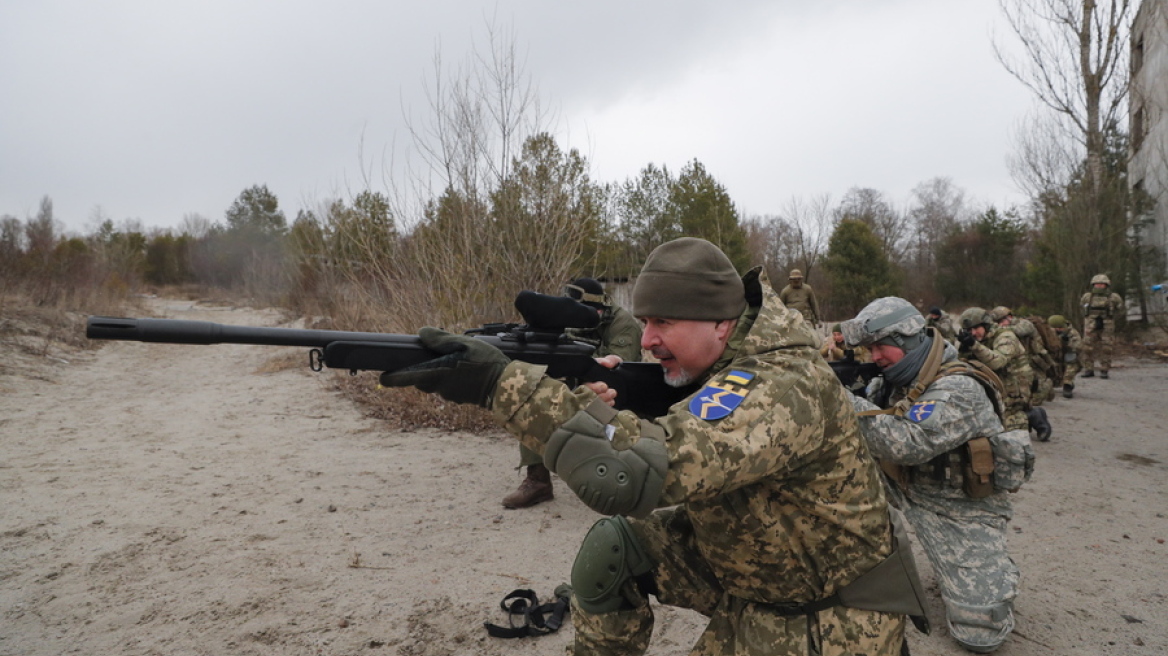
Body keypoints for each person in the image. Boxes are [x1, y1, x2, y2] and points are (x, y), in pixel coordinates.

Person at [382, 238, 926, 655]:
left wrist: (502, 386)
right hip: (755, 567)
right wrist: (593, 407)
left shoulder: (780, 384)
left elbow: (626, 478)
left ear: (722, 322)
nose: (645, 340)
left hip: (826, 619)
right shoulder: (723, 365)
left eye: (663, 322)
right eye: (643, 322)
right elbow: (662, 433)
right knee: (615, 550)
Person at [841, 297, 1026, 653]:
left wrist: (838, 397)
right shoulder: (895, 381)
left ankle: (995, 573)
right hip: (899, 487)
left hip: (955, 508)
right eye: (869, 348)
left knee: (979, 634)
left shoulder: (960, 387)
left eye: (881, 346)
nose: (874, 356)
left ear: (909, 339)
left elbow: (905, 443)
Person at [503, 277, 643, 509]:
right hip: (580, 382)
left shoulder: (622, 323)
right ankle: (538, 481)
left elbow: (619, 368)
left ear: (600, 308)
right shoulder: (567, 318)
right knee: (536, 400)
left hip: (618, 390)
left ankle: (622, 478)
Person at [957, 308, 1033, 432]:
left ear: (986, 325)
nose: (974, 333)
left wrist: (975, 346)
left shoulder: (1005, 336)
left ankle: (1030, 417)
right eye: (969, 331)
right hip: (995, 383)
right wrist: (964, 349)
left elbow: (998, 362)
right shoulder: (979, 340)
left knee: (1009, 428)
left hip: (1015, 387)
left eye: (976, 328)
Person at [988, 307, 1052, 442]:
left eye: (1000, 321)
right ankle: (1030, 419)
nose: (999, 325)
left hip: (1030, 367)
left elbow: (1018, 331)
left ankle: (1037, 419)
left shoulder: (1024, 324)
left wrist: (994, 329)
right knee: (1014, 404)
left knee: (1022, 402)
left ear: (1009, 317)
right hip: (1012, 369)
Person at [1079, 273, 1124, 379]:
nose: (1099, 286)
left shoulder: (1114, 297)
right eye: (1097, 284)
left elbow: (1121, 310)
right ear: (1093, 285)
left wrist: (1111, 317)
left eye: (1102, 284)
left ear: (1106, 285)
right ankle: (1088, 369)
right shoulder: (1087, 297)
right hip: (1090, 325)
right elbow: (1082, 308)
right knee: (1087, 347)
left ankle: (1104, 369)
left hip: (1107, 325)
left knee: (1106, 348)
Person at [1048, 315, 1083, 398]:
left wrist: (1065, 343)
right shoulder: (1048, 333)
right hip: (1055, 357)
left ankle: (1067, 384)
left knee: (1072, 360)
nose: (1058, 330)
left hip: (1068, 356)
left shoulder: (1072, 333)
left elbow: (1078, 348)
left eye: (1060, 328)